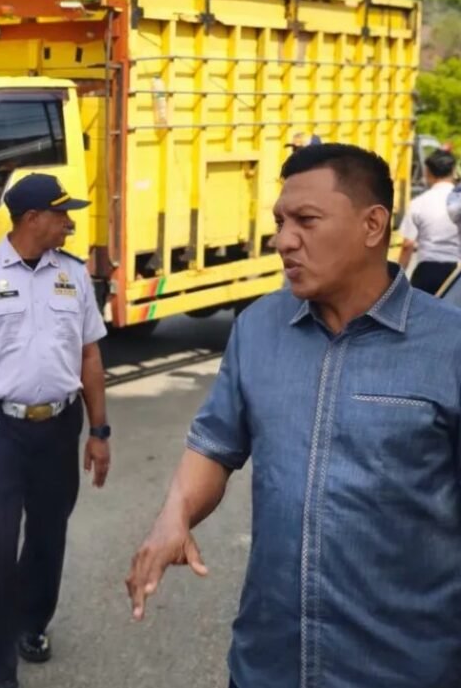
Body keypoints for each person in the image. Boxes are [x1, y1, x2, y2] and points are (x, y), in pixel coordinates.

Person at [127, 142, 461, 688]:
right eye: (281, 221)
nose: (284, 240)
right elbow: (216, 442)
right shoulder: (258, 328)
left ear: (373, 225)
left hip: (406, 669)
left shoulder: (448, 345)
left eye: (306, 220)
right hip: (268, 666)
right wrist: (175, 515)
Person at [0, 173, 110, 688]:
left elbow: (90, 353)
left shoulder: (74, 275)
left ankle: (33, 623)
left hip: (59, 425)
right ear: (32, 219)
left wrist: (99, 430)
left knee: (48, 536)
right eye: (62, 214)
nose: (70, 222)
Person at [398, 148, 459, 294]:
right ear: (453, 171)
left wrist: (397, 278)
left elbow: (408, 245)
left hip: (426, 273)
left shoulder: (418, 203)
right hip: (457, 273)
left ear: (428, 173)